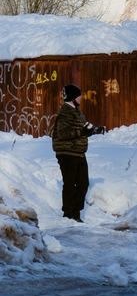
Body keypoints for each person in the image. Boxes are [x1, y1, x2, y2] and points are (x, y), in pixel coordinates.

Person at [51, 84, 105, 223]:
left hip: (78, 152)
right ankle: (69, 215)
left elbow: (80, 130)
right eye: (78, 95)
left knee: (83, 183)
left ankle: (76, 213)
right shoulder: (65, 113)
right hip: (67, 153)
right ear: (72, 98)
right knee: (69, 184)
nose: (81, 97)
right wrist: (82, 132)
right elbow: (63, 134)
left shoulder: (76, 111)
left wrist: (93, 130)